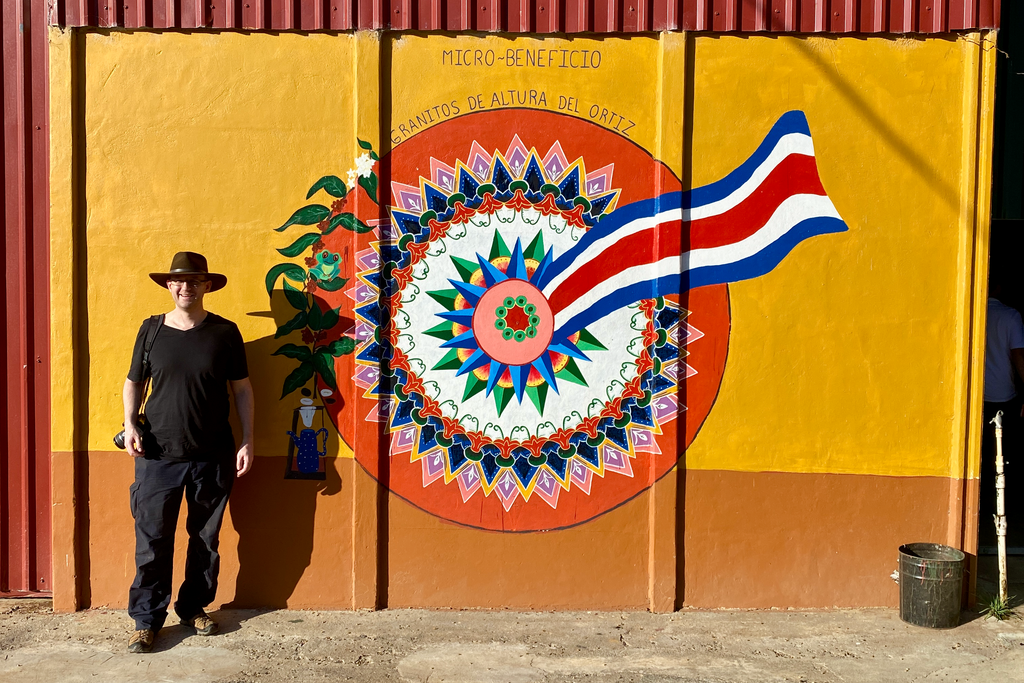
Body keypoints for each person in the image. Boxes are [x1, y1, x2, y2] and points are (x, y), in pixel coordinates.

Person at [122, 251, 254, 653]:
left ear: (207, 285)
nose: (185, 287)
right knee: (152, 540)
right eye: (178, 280)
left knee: (205, 539)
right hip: (157, 455)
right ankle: (147, 621)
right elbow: (133, 383)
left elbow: (243, 390)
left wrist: (248, 438)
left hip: (212, 455)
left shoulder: (225, 333)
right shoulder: (150, 331)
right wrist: (129, 424)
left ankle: (194, 606)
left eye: (195, 281)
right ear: (168, 285)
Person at [981, 274, 1024, 551]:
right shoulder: (1010, 316)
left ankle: (983, 510)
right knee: (1006, 457)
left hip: (974, 399)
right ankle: (1004, 512)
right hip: (1004, 398)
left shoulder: (973, 312)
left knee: (981, 457)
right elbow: (1018, 355)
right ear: (1000, 287)